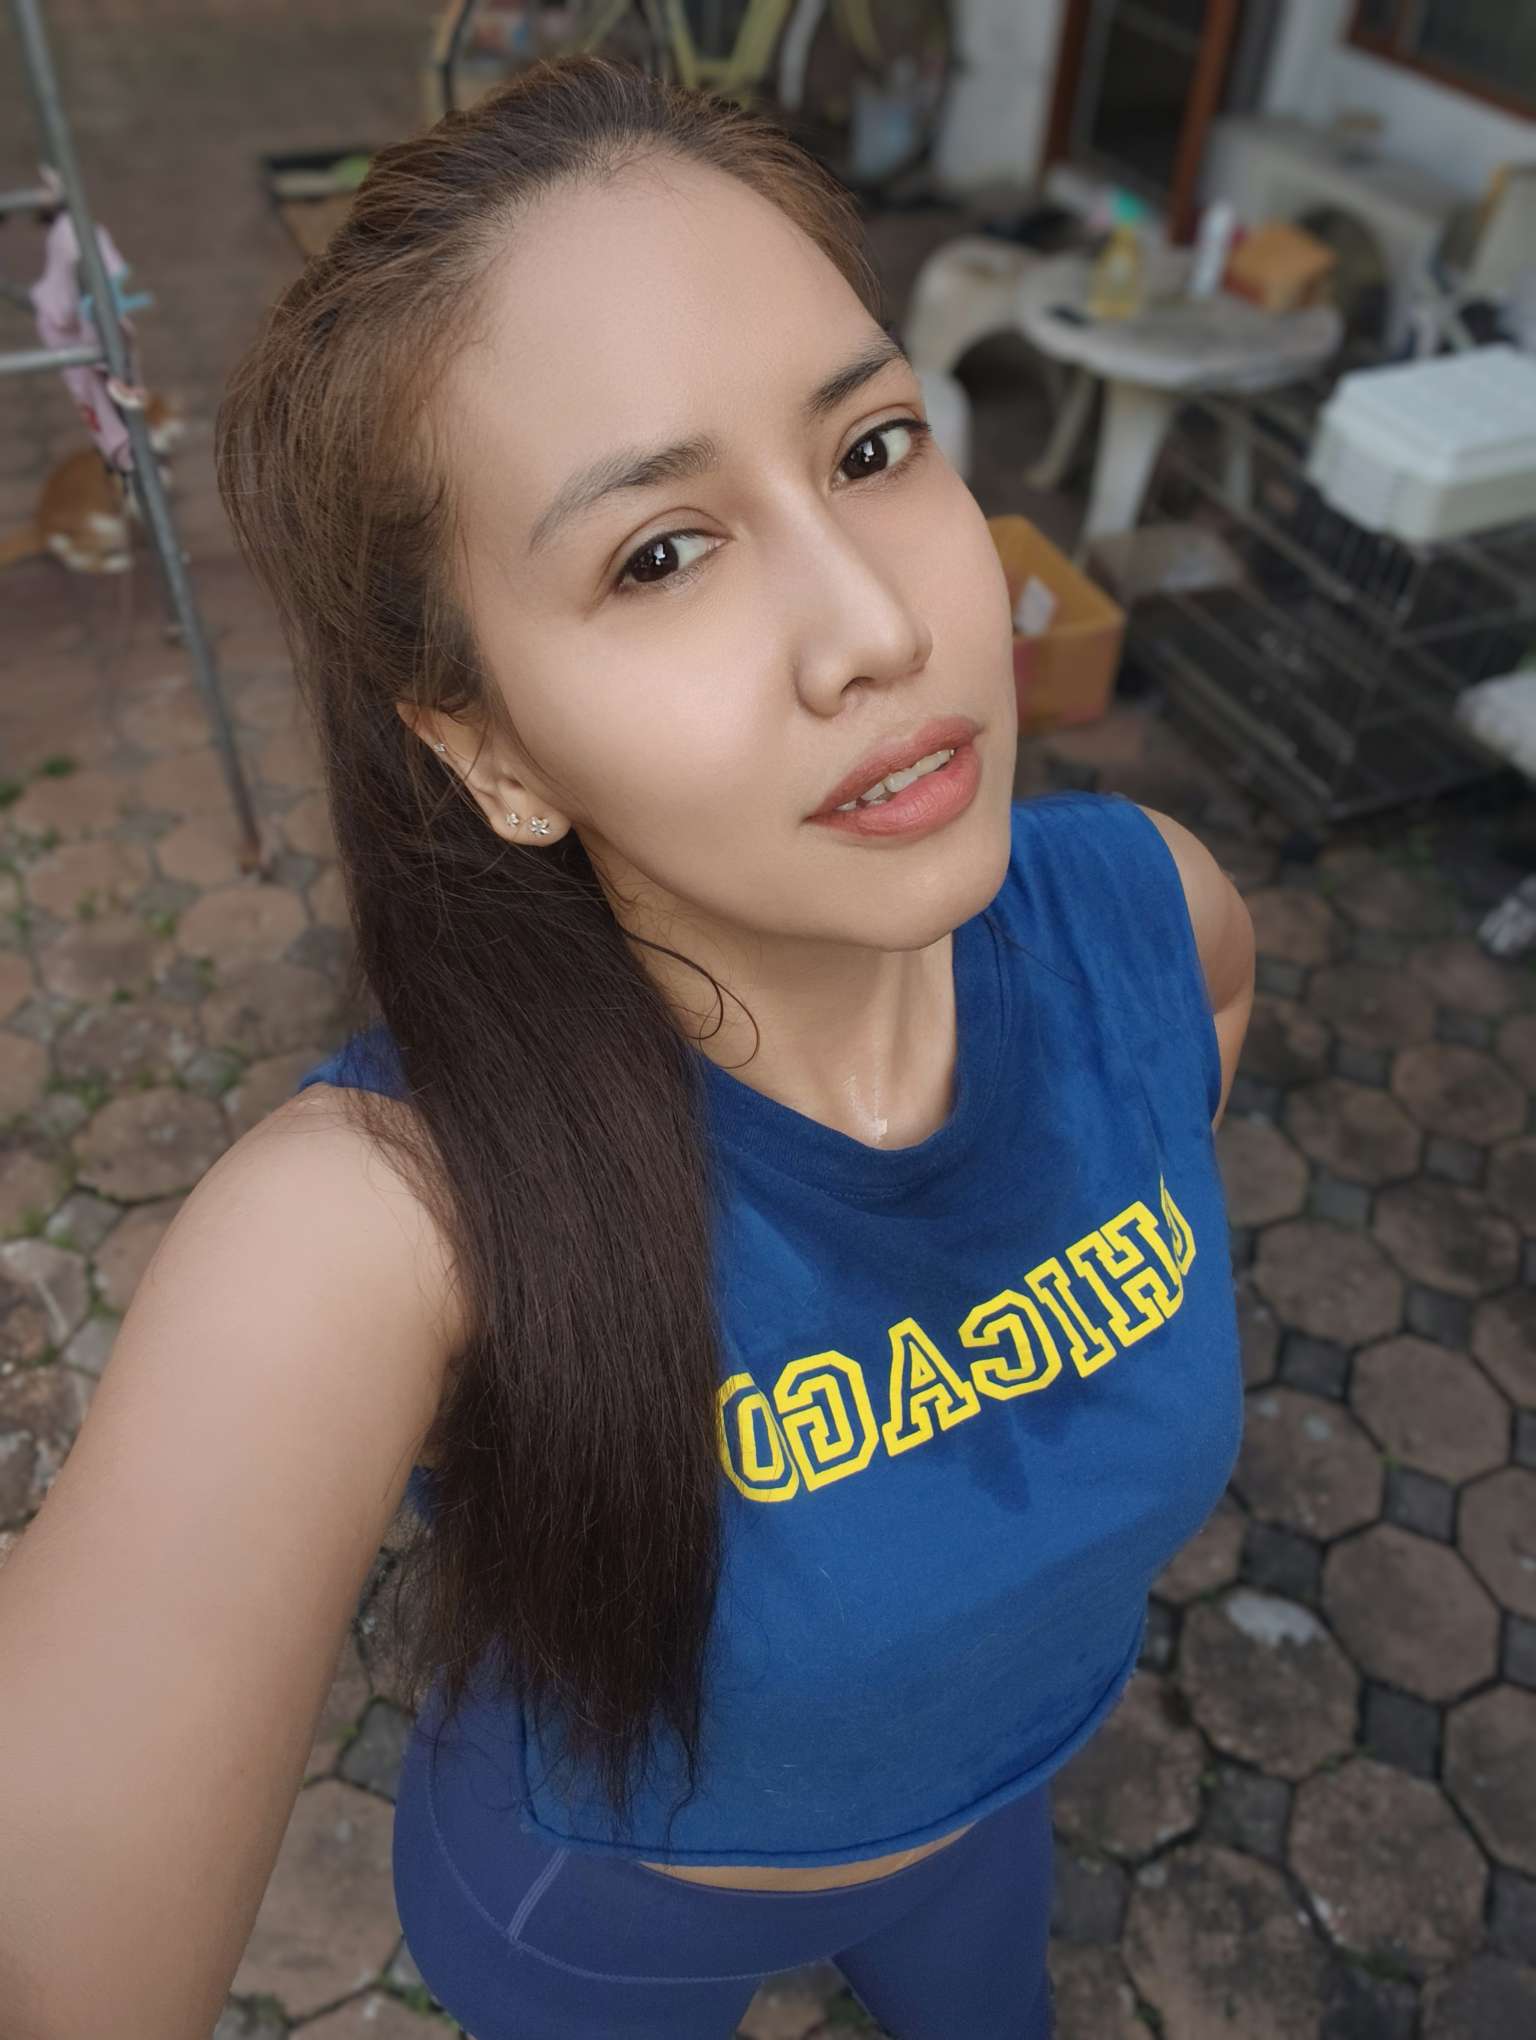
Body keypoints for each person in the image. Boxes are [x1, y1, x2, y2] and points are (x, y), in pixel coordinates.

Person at [0, 53, 1255, 2040]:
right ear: (489, 748)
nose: (876, 628)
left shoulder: (1156, 924)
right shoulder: (385, 1227)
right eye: (660, 553)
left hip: (992, 1817)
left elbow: (1197, 1068)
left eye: (873, 447)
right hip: (603, 1916)